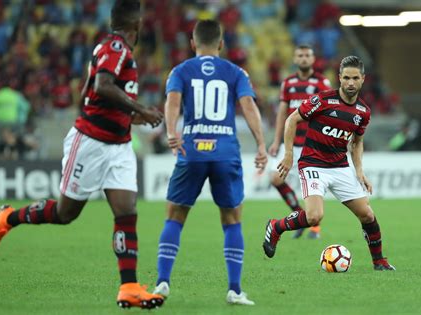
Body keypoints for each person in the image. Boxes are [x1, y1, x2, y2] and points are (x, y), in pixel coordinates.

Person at [0, 0, 166, 309]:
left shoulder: (110, 50)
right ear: (137, 23)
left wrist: (129, 117)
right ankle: (9, 217)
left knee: (126, 211)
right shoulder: (117, 48)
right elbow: (102, 86)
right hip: (91, 143)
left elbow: (87, 94)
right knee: (65, 214)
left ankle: (129, 287)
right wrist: (140, 109)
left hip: (118, 145)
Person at [152, 19, 268, 305]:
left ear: (192, 43)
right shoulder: (235, 71)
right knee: (231, 219)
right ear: (221, 43)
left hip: (192, 150)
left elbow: (173, 102)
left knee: (175, 215)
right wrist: (262, 144)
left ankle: (162, 282)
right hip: (225, 150)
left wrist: (170, 132)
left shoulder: (181, 71)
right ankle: (234, 289)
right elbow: (249, 106)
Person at [263, 56, 395, 271]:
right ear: (339, 79)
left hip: (341, 167)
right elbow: (291, 119)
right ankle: (276, 227)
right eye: (346, 78)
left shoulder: (363, 112)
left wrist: (359, 171)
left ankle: (379, 261)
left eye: (355, 78)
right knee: (314, 216)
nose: (350, 83)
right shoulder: (322, 100)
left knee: (367, 214)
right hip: (313, 164)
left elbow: (357, 142)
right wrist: (288, 154)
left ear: (363, 79)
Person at [268, 44, 331, 239]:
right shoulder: (288, 83)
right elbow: (282, 114)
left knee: (314, 186)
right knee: (275, 179)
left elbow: (329, 114)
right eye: (300, 55)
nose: (303, 58)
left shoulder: (322, 83)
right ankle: (299, 215)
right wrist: (277, 140)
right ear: (295, 59)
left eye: (307, 55)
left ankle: (315, 228)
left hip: (313, 146)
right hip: (290, 145)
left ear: (313, 59)